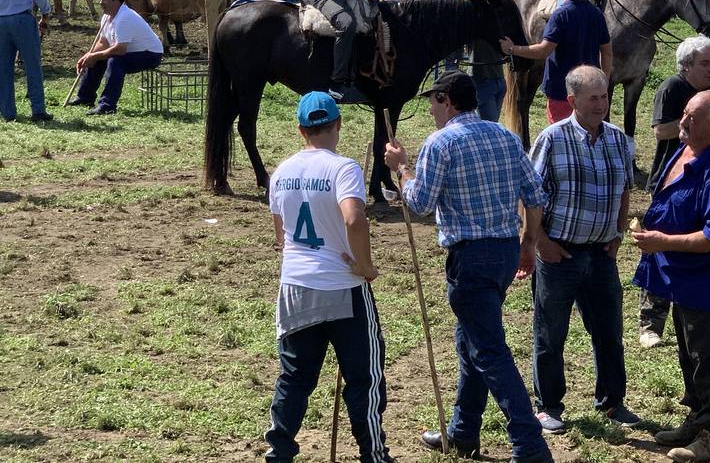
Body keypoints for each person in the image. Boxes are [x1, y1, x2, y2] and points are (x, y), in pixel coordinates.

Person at [385, 71, 554, 463]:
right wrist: (528, 243)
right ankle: (463, 431)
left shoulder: (440, 143)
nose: (430, 108)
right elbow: (534, 194)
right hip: (503, 252)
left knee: (489, 350)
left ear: (447, 100)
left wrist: (402, 168)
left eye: (432, 101)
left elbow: (421, 202)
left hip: (470, 257)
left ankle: (529, 445)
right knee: (471, 342)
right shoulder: (506, 136)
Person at [265, 92, 394, 463]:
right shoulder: (343, 168)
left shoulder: (282, 172)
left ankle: (279, 451)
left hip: (295, 286)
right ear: (337, 125)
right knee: (363, 378)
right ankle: (373, 453)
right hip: (341, 286)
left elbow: (281, 235)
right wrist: (366, 266)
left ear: (300, 130)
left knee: (295, 377)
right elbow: (354, 217)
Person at [633, 90, 710, 463]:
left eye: (692, 118)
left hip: (709, 283)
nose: (682, 122)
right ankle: (697, 419)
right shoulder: (687, 149)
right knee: (691, 355)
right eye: (684, 113)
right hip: (682, 278)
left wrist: (663, 240)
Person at [527, 65, 639, 433]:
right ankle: (548, 406)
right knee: (551, 333)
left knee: (609, 331)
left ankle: (612, 402)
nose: (602, 104)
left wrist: (619, 234)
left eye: (605, 96)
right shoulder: (552, 139)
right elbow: (530, 196)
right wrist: (541, 243)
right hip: (560, 254)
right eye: (594, 98)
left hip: (601, 254)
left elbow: (625, 190)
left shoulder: (618, 140)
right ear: (572, 100)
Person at [640, 37, 710, 347]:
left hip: (698, 177)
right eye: (704, 63)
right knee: (658, 251)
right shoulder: (671, 87)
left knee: (684, 247)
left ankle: (685, 306)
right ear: (687, 65)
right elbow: (659, 130)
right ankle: (650, 322)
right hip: (670, 180)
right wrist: (692, 123)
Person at [501, 0, 612, 124]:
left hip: (562, 90)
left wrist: (512, 49)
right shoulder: (597, 14)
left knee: (562, 138)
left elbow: (543, 51)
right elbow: (607, 53)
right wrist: (603, 84)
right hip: (589, 92)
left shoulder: (560, 15)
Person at [67, 0, 163, 115]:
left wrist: (94, 56)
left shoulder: (124, 17)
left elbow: (120, 50)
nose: (101, 3)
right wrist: (88, 56)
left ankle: (107, 105)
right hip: (130, 52)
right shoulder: (107, 17)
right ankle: (85, 97)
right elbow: (103, 42)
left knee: (115, 60)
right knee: (98, 57)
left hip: (150, 54)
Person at [0, 0, 52, 123]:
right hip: (22, 20)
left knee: (3, 68)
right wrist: (45, 14)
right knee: (32, 65)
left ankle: (7, 112)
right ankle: (37, 109)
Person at [468, 0, 509, 122]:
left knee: (492, 123)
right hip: (482, 78)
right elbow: (460, 0)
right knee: (488, 126)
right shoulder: (476, 8)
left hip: (498, 77)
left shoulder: (498, 7)